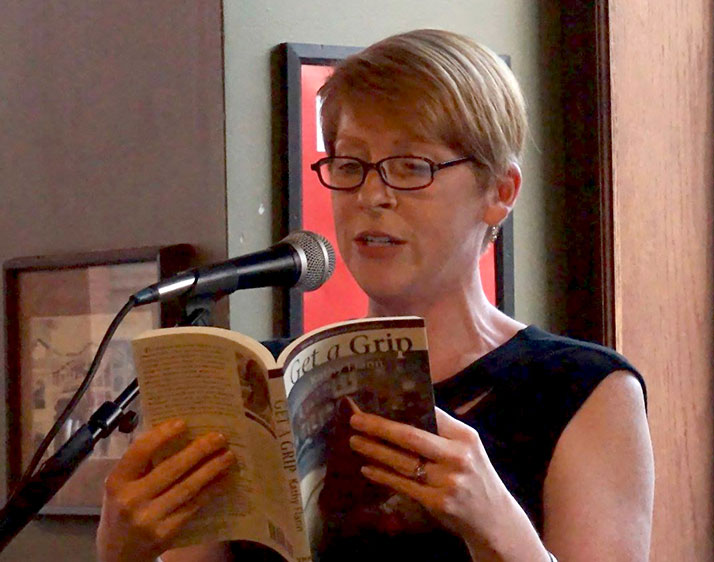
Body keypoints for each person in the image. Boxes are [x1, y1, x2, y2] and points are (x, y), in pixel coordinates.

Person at [96, 29, 653, 562]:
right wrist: (126, 553)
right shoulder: (262, 382)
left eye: (412, 167)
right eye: (350, 165)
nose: (372, 195)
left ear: (500, 192)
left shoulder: (581, 387)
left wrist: (498, 528)